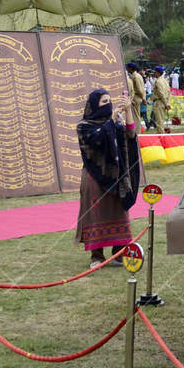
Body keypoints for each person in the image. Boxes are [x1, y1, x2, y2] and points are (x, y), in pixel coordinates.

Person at [75, 88, 140, 264]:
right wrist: (111, 119)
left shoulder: (116, 123)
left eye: (110, 101)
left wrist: (128, 112)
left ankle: (118, 254)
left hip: (116, 177)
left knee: (119, 213)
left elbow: (131, 135)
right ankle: (97, 256)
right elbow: (97, 139)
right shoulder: (84, 126)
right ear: (94, 105)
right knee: (96, 215)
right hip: (94, 176)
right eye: (104, 102)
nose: (109, 105)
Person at [126, 62, 146, 130]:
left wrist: (143, 98)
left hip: (136, 98)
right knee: (136, 116)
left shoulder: (135, 77)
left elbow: (139, 89)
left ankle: (137, 131)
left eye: (128, 68)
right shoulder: (137, 75)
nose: (127, 69)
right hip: (137, 97)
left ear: (130, 68)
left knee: (136, 117)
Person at [151, 67, 172, 131]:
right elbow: (169, 92)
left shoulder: (158, 81)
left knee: (159, 122)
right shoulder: (165, 81)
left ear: (158, 73)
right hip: (164, 102)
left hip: (159, 102)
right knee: (161, 121)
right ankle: (161, 136)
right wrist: (167, 103)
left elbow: (161, 93)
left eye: (155, 72)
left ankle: (161, 137)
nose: (154, 74)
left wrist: (166, 104)